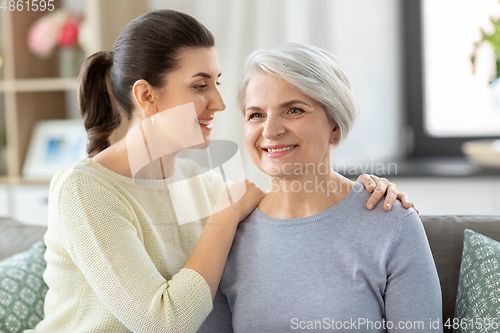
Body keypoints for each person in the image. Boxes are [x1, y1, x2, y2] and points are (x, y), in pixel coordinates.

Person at [32, 10, 417, 333]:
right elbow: (164, 322)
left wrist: (364, 187)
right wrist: (225, 216)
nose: (217, 102)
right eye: (200, 86)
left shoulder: (203, 178)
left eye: (216, 83)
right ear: (146, 96)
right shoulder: (85, 190)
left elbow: (298, 209)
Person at [199, 43, 442, 332]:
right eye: (256, 115)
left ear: (335, 126)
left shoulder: (392, 223)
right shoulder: (227, 232)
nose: (270, 130)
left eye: (293, 110)